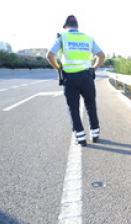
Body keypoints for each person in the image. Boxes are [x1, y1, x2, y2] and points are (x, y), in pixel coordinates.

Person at [46, 15, 105, 146]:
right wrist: (93, 68)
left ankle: (81, 138)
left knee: (73, 108)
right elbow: (102, 56)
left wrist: (58, 68)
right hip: (86, 77)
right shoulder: (88, 38)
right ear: (77, 26)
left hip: (70, 78)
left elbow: (49, 55)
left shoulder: (62, 37)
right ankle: (95, 135)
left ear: (66, 26)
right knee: (91, 106)